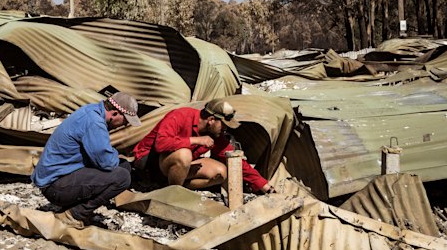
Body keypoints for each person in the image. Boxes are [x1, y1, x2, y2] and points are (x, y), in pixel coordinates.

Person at [32, 91, 141, 229]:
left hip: (60, 177)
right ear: (115, 113)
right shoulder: (94, 122)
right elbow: (106, 162)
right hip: (55, 186)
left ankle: (75, 209)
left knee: (124, 166)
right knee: (122, 177)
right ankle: (73, 215)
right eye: (125, 121)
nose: (123, 125)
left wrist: (112, 155)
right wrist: (114, 153)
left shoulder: (92, 111)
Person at [133, 98, 274, 194]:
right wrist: (194, 140)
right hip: (148, 163)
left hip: (175, 168)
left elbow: (236, 161)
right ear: (211, 120)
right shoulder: (180, 116)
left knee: (221, 172)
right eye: (223, 125)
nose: (225, 130)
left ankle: (172, 186)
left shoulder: (215, 134)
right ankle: (172, 196)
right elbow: (161, 144)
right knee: (184, 154)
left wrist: (264, 186)